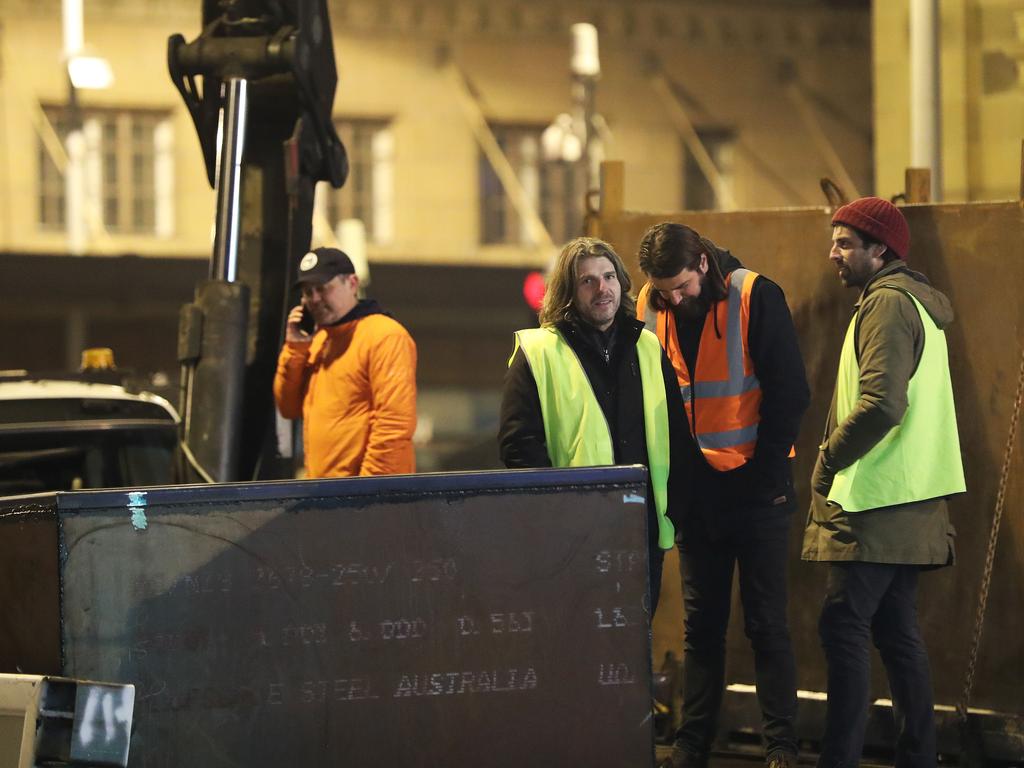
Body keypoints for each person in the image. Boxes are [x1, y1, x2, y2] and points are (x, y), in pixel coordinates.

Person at [636, 223, 809, 768]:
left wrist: (762, 477)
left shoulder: (755, 295)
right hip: (696, 495)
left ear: (704, 265)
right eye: (663, 291)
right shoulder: (652, 301)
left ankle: (780, 747)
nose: (673, 299)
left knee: (767, 626)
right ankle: (691, 745)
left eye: (681, 287)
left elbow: (789, 392)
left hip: (755, 491)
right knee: (701, 630)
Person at [803, 197, 965, 768]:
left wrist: (826, 461)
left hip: (876, 500)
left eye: (846, 243)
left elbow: (880, 405)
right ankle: (918, 757)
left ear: (881, 250)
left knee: (843, 626)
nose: (834, 254)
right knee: (896, 633)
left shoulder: (888, 306)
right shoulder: (913, 305)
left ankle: (839, 760)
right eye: (835, 241)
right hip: (911, 499)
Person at [498, 236, 692, 613]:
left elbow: (676, 434)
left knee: (634, 649)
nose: (602, 288)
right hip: (571, 539)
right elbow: (518, 446)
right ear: (569, 292)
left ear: (621, 283)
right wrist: (557, 515)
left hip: (642, 531)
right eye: (588, 281)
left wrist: (677, 511)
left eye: (609, 277)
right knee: (578, 651)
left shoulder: (648, 347)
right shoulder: (537, 352)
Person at [274, 246, 417, 477]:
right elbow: (288, 407)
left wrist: (367, 493)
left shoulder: (384, 336)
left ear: (352, 283)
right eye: (308, 292)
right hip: (330, 494)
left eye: (322, 288)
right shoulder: (319, 341)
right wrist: (294, 348)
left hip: (366, 499)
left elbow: (394, 424)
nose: (314, 299)